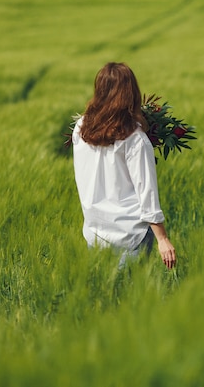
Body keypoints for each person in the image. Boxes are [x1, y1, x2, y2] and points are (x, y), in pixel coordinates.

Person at [72, 62, 176, 269]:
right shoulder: (135, 138)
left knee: (105, 298)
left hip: (95, 233)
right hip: (131, 235)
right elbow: (146, 192)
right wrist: (163, 239)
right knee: (131, 298)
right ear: (132, 93)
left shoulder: (81, 127)